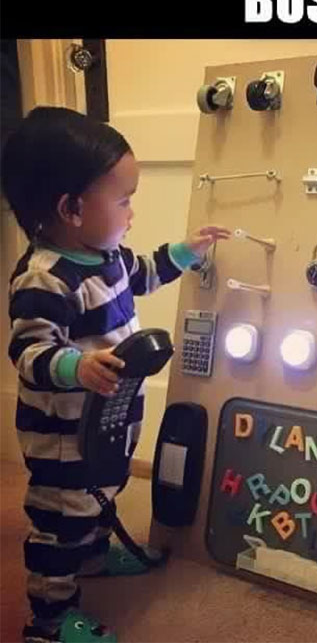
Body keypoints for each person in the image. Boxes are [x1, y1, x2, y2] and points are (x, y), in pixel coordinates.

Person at [1, 106, 230, 643]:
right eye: (123, 199)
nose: (131, 212)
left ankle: (97, 558)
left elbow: (143, 273)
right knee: (64, 520)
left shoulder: (106, 254)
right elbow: (28, 353)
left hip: (111, 415)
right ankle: (50, 622)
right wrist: (75, 366)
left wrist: (186, 253)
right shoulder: (46, 278)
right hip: (63, 438)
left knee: (107, 490)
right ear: (71, 208)